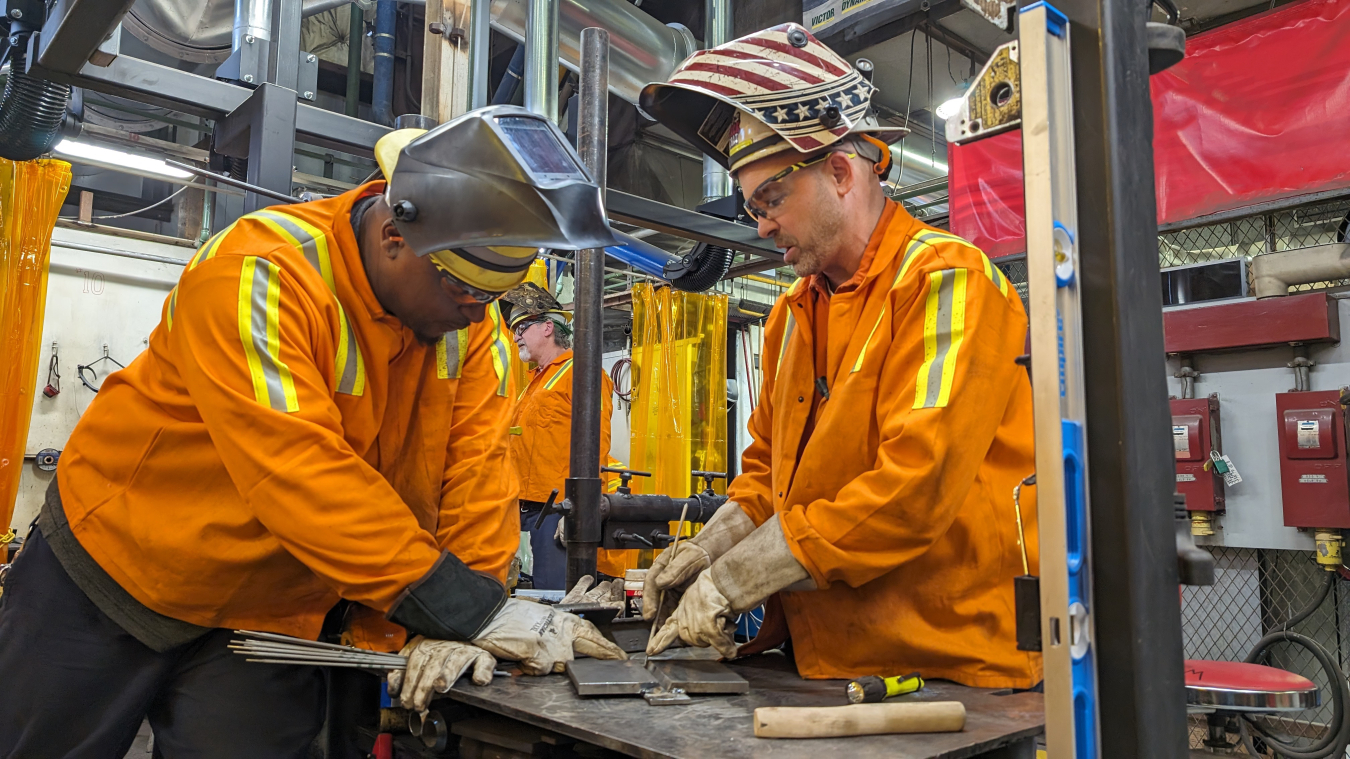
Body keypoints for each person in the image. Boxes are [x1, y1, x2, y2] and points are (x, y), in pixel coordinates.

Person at [0, 106, 625, 758]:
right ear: (394, 237)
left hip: (269, 612)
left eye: (492, 298)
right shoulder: (259, 270)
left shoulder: (470, 336)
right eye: (461, 289)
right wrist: (464, 606)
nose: (475, 314)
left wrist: (469, 612)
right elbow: (296, 470)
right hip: (114, 570)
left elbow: (475, 480)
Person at [637, 23, 1041, 689]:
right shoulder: (793, 316)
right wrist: (707, 549)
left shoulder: (945, 282)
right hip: (830, 659)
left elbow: (915, 485)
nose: (761, 225)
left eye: (770, 200)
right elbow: (770, 477)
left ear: (840, 171)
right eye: (752, 207)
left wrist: (737, 577)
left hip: (949, 666)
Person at [507, 302, 634, 587]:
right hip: (523, 503)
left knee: (553, 595)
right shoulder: (536, 381)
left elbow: (596, 445)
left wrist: (580, 508)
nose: (516, 337)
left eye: (521, 329)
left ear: (548, 328)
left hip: (558, 508)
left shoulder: (580, 373)